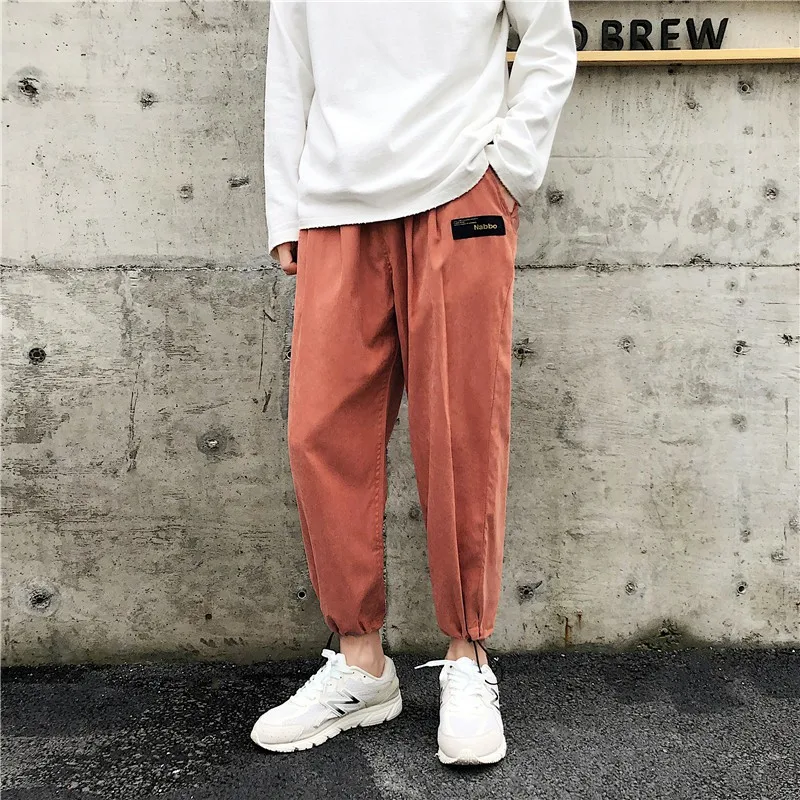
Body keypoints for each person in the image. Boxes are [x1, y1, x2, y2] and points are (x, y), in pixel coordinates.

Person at [251, 0, 577, 765]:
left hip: (459, 188)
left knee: (460, 431)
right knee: (321, 434)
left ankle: (468, 656)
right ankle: (361, 663)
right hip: (335, 203)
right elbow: (290, 64)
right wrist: (285, 211)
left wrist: (508, 169)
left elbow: (549, 38)